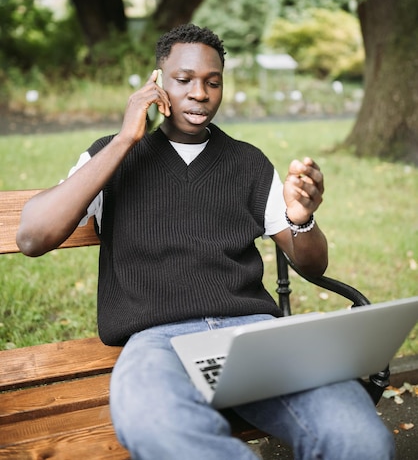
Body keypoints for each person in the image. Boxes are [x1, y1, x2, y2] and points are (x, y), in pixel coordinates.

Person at [17, 24, 394, 460]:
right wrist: (125, 140)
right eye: (184, 80)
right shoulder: (111, 155)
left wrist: (301, 219)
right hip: (157, 341)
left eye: (213, 82)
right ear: (156, 83)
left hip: (253, 336)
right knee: (155, 425)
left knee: (358, 436)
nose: (200, 93)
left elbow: (312, 266)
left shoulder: (248, 163)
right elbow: (32, 237)